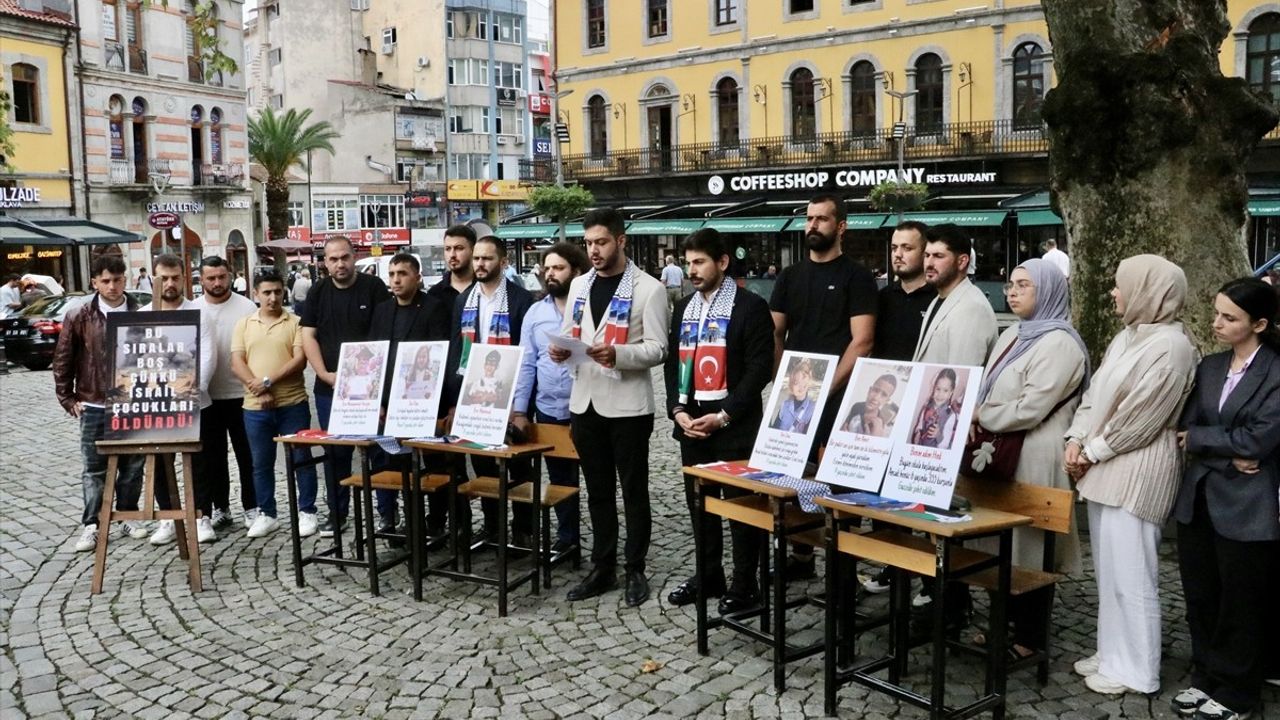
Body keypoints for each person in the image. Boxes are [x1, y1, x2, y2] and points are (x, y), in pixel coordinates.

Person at [1065, 254, 1197, 697]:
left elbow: (1143, 417)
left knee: (1133, 576)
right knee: (1110, 573)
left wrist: (1091, 451)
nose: (1114, 293)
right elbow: (1095, 394)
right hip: (1106, 466)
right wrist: (1076, 437)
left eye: (1122, 285)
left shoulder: (1173, 348)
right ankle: (1112, 654)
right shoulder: (1128, 337)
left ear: (1148, 291)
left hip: (1138, 471)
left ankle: (1139, 670)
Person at [1170, 278, 1280, 720]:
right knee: (1201, 595)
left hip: (1248, 507)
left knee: (1241, 601)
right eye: (1216, 312)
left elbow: (1258, 440)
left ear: (1260, 323)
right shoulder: (1211, 366)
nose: (1216, 323)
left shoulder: (1274, 372)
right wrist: (1227, 452)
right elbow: (1186, 429)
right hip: (1199, 498)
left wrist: (1220, 445)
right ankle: (1206, 677)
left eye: (1229, 317)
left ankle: (1237, 692)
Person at [969, 259, 1088, 659]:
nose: (1012, 292)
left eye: (1024, 285)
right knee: (999, 543)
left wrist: (981, 415)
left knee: (1032, 546)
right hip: (1001, 452)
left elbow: (1031, 407)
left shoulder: (1061, 343)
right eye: (1010, 284)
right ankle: (1001, 623)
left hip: (1036, 455)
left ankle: (1029, 637)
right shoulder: (1014, 335)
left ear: (1049, 291)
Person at [551, 207, 669, 607]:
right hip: (585, 402)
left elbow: (658, 348)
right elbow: (572, 333)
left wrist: (618, 354)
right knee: (597, 490)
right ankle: (603, 566)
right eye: (589, 244)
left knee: (634, 490)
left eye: (601, 242)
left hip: (628, 407)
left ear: (621, 240)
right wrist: (559, 348)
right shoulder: (580, 285)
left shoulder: (648, 289)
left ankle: (635, 567)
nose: (594, 250)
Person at [663, 228, 772, 612]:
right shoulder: (683, 309)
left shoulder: (750, 307)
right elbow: (675, 364)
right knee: (700, 506)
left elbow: (760, 370)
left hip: (734, 427)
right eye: (688, 262)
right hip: (693, 425)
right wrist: (676, 410)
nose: (691, 270)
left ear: (722, 262)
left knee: (742, 510)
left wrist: (724, 415)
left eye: (699, 262)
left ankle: (746, 583)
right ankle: (709, 575)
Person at [769, 193, 877, 578]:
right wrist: (784, 379)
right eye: (809, 219)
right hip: (796, 395)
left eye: (822, 219)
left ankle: (841, 564)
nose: (812, 225)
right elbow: (775, 330)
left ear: (841, 226)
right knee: (790, 477)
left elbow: (862, 340)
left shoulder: (857, 277)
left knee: (837, 482)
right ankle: (800, 557)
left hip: (839, 397)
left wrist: (826, 388)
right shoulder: (790, 276)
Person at [443, 229, 534, 543]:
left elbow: (527, 354)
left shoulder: (522, 300)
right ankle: (494, 529)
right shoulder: (464, 300)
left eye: (487, 258)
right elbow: (458, 352)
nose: (480, 264)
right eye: (477, 258)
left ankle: (524, 530)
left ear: (503, 262)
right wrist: (456, 400)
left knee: (520, 467)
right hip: (476, 398)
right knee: (483, 466)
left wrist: (519, 405)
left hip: (510, 399)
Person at [53, 255, 147, 552]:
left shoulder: (139, 311)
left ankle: (128, 514)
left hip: (131, 401)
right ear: (94, 282)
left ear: (125, 280)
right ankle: (92, 523)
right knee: (94, 467)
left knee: (133, 464)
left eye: (117, 280)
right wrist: (67, 397)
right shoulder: (79, 315)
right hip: (93, 401)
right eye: (105, 281)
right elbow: (63, 358)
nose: (112, 286)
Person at [301, 236, 391, 536]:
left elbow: (383, 336)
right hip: (330, 389)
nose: (340, 264)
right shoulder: (318, 291)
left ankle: (387, 514)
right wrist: (323, 374)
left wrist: (373, 380)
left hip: (371, 387)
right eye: (333, 259)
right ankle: (337, 514)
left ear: (354, 257)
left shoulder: (374, 288)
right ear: (325, 262)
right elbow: (308, 336)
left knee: (380, 450)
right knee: (336, 453)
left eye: (345, 257)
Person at [511, 241, 590, 556]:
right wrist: (519, 410)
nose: (551, 274)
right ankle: (568, 538)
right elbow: (526, 364)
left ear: (577, 271)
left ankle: (604, 547)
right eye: (547, 268)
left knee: (597, 479)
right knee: (560, 478)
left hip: (587, 406)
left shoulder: (590, 307)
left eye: (559, 268)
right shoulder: (535, 312)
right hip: (549, 408)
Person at [366, 252, 448, 537]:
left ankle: (437, 523)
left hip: (425, 402)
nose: (396, 279)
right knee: (398, 465)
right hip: (391, 405)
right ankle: (411, 522)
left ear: (417, 276)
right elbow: (375, 357)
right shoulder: (382, 310)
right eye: (391, 274)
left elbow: (441, 357)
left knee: (436, 464)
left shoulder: (434, 308)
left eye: (402, 273)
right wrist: (378, 400)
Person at [231, 269, 317, 539]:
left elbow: (298, 361)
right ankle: (267, 513)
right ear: (256, 294)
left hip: (292, 403)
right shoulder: (244, 324)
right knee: (260, 462)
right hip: (254, 407)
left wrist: (266, 382)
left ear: (284, 292)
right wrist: (257, 388)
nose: (272, 297)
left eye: (277, 292)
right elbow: (237, 362)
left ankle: (307, 510)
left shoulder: (296, 322)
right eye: (266, 292)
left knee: (301, 458)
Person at [140, 254, 217, 546]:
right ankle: (169, 519)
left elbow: (207, 356)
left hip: (196, 402)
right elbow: (134, 361)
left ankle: (201, 516)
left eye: (175, 277)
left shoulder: (199, 313)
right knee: (161, 462)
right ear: (153, 280)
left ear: (185, 278)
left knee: (199, 462)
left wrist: (194, 391)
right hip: (157, 404)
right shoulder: (143, 315)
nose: (170, 284)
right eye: (164, 278)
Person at [194, 256, 259, 533]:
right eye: (211, 278)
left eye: (222, 277)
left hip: (242, 393)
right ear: (201, 280)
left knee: (248, 454)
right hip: (206, 398)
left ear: (230, 276)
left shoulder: (246, 307)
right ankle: (220, 507)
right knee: (213, 458)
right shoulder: (194, 309)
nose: (217, 283)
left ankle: (252, 507)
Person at [913, 223, 999, 366]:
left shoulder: (973, 308)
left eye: (938, 256)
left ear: (962, 261)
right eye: (927, 255)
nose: (929, 263)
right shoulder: (938, 299)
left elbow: (961, 376)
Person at [875, 221, 938, 362]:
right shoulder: (881, 298)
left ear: (925, 253)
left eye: (907, 248)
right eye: (894, 248)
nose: (898, 254)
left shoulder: (940, 300)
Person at [910, 368, 961, 448]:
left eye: (945, 390)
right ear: (934, 388)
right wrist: (918, 432)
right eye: (938, 389)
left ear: (951, 393)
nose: (940, 394)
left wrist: (938, 435)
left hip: (934, 454)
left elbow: (945, 444)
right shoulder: (925, 408)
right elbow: (920, 425)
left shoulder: (951, 416)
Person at [769, 358, 817, 433]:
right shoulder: (785, 405)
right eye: (796, 383)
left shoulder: (812, 408)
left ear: (809, 382)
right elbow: (775, 430)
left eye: (803, 382)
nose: (800, 386)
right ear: (791, 385)